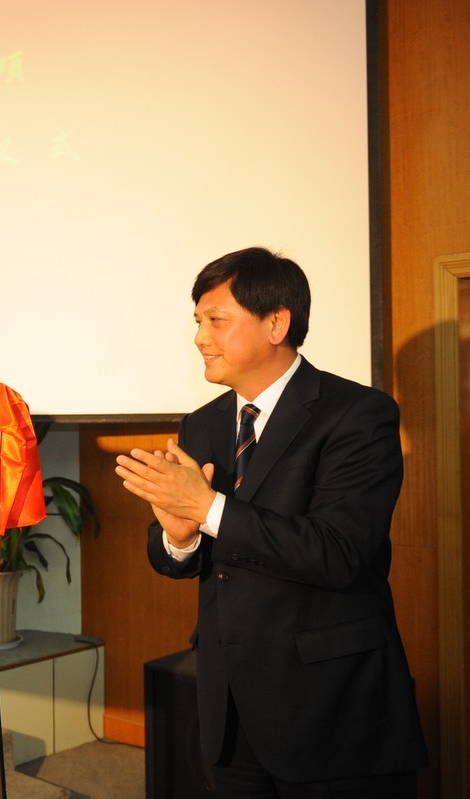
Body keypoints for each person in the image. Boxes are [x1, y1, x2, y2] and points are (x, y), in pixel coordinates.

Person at [114, 247, 427, 798]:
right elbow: (176, 558)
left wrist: (207, 509)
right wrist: (178, 538)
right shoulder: (202, 424)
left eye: (217, 320)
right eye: (197, 321)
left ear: (277, 323)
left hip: (330, 709)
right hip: (229, 706)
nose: (200, 338)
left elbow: (337, 552)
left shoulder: (357, 414)